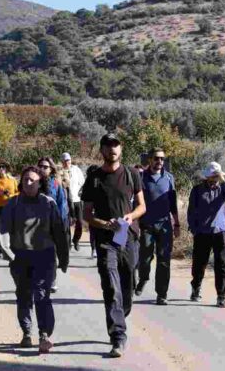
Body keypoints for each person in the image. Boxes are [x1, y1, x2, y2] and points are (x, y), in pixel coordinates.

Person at [82, 133, 146, 358]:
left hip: (128, 237)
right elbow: (86, 213)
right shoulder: (94, 178)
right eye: (108, 146)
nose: (112, 149)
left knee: (127, 286)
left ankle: (120, 314)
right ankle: (118, 335)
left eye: (116, 145)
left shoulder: (132, 174)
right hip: (105, 240)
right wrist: (103, 224)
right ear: (101, 150)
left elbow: (142, 206)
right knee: (111, 286)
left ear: (121, 149)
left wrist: (130, 216)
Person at [0, 166, 69, 353]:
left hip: (44, 256)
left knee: (42, 295)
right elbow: (3, 230)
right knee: (23, 295)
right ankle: (26, 332)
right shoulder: (13, 204)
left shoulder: (48, 203)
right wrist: (10, 255)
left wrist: (63, 258)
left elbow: (59, 233)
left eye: (33, 180)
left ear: (40, 183)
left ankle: (44, 335)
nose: (28, 183)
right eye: (25, 180)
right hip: (20, 256)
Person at [187, 161, 225, 308]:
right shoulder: (197, 190)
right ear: (207, 176)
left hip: (220, 231)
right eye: (214, 175)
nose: (216, 178)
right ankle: (196, 287)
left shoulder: (223, 188)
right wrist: (194, 229)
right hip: (202, 232)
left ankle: (222, 296)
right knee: (199, 263)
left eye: (218, 175)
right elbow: (191, 211)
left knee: (221, 264)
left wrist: (224, 181)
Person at [136, 148, 180, 306]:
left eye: (162, 158)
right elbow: (136, 201)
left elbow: (173, 203)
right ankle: (143, 278)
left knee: (164, 260)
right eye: (156, 158)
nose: (160, 161)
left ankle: (162, 294)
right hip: (146, 225)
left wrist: (176, 223)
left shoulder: (169, 178)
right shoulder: (141, 177)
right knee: (145, 258)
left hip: (164, 225)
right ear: (150, 159)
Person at [37, 157, 68, 293]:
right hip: (35, 225)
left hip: (52, 225)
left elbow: (62, 204)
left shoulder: (55, 184)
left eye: (45, 167)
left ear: (51, 169)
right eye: (40, 166)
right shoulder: (33, 182)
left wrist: (60, 224)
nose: (42, 169)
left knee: (51, 254)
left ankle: (52, 279)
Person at [0, 162, 19, 259]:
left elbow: (18, 192)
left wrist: (10, 195)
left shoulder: (12, 180)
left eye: (3, 167)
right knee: (1, 229)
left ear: (6, 169)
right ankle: (1, 249)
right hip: (0, 207)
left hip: (11, 207)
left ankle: (11, 248)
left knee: (12, 228)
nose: (1, 169)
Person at [60, 153, 86, 251]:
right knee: (67, 223)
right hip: (66, 201)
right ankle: (68, 243)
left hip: (76, 200)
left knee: (79, 222)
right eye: (65, 160)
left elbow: (82, 182)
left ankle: (76, 240)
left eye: (68, 160)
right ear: (62, 162)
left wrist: (79, 191)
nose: (67, 162)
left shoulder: (76, 169)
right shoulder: (60, 171)